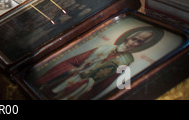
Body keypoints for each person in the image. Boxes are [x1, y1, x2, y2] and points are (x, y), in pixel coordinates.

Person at [30, 28, 159, 100]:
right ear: (128, 38)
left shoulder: (127, 62)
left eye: (138, 42)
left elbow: (106, 83)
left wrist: (90, 87)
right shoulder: (104, 48)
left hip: (80, 90)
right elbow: (73, 61)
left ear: (140, 46)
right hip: (65, 79)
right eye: (133, 39)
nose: (133, 43)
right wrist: (77, 69)